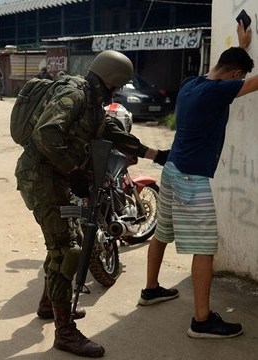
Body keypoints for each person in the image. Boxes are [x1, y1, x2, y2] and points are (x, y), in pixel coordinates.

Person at [14, 50, 169, 358]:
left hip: (56, 178)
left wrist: (156, 154)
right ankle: (65, 332)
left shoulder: (92, 100)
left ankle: (49, 305)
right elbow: (47, 134)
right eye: (120, 84)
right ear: (112, 80)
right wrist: (75, 172)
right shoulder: (75, 95)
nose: (121, 89)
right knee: (67, 249)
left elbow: (109, 132)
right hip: (43, 180)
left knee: (63, 243)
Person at [138, 20, 258, 339]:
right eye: (239, 78)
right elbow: (250, 81)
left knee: (162, 233)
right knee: (205, 248)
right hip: (192, 179)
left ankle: (151, 289)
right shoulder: (220, 91)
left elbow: (225, 67)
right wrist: (243, 60)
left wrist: (242, 47)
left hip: (174, 170)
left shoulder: (193, 83)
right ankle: (201, 321)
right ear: (234, 76)